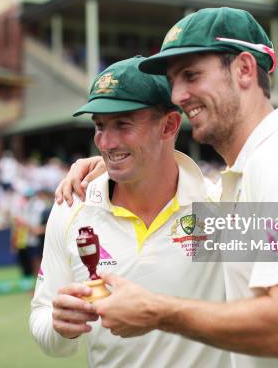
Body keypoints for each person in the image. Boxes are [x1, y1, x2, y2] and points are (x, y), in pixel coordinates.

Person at [57, 8, 278, 367]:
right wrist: (117, 166)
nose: (178, 95)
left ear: (245, 70)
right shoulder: (248, 175)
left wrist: (155, 312)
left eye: (191, 75)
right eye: (174, 81)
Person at [30, 56, 232, 367]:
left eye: (123, 124)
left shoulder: (220, 206)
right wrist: (59, 327)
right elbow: (42, 319)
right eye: (99, 126)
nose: (106, 142)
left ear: (168, 126)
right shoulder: (71, 207)